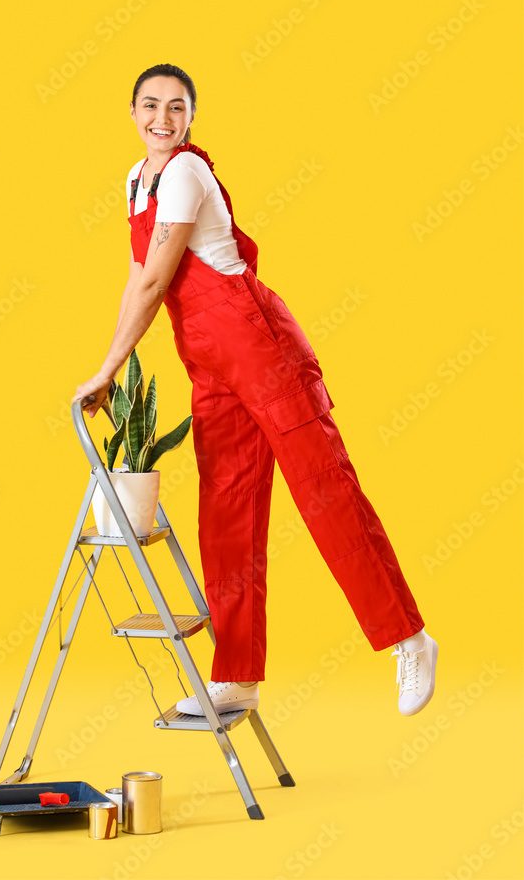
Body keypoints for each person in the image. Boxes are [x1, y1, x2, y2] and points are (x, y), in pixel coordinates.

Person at [72, 62, 438, 717]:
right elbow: (137, 278)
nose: (162, 118)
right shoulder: (134, 181)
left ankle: (407, 638)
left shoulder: (184, 171)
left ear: (190, 118)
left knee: (326, 495)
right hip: (208, 366)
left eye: (176, 108)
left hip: (259, 349)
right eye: (150, 106)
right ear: (130, 113)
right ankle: (235, 674)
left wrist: (106, 370)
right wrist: (110, 362)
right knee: (226, 516)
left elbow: (157, 281)